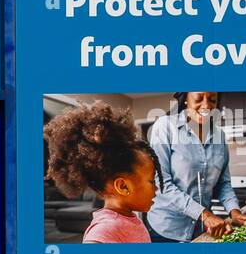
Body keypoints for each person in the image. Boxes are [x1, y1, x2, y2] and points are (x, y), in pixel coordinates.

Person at [44, 100, 160, 243]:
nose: (156, 188)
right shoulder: (105, 231)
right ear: (123, 186)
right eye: (152, 181)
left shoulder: (129, 219)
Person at [146, 92, 246, 242]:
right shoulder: (165, 127)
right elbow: (162, 183)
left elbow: (223, 184)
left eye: (212, 100)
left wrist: (235, 213)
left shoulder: (220, 136)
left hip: (200, 230)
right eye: (198, 99)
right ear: (186, 100)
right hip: (166, 229)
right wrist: (205, 214)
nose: (206, 105)